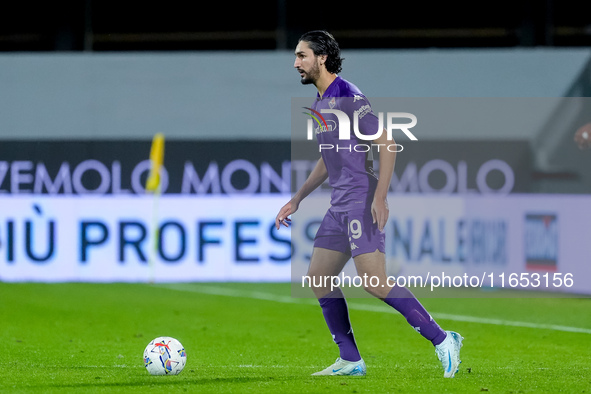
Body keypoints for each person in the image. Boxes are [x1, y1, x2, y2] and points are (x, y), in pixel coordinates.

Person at [275, 30, 463, 378]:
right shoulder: (320, 103)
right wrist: (297, 198)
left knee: (375, 282)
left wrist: (380, 197)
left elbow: (387, 143)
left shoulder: (348, 96)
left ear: (322, 58)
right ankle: (350, 360)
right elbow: (326, 157)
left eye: (302, 56)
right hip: (339, 203)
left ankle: (443, 339)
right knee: (318, 277)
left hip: (360, 199)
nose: (296, 63)